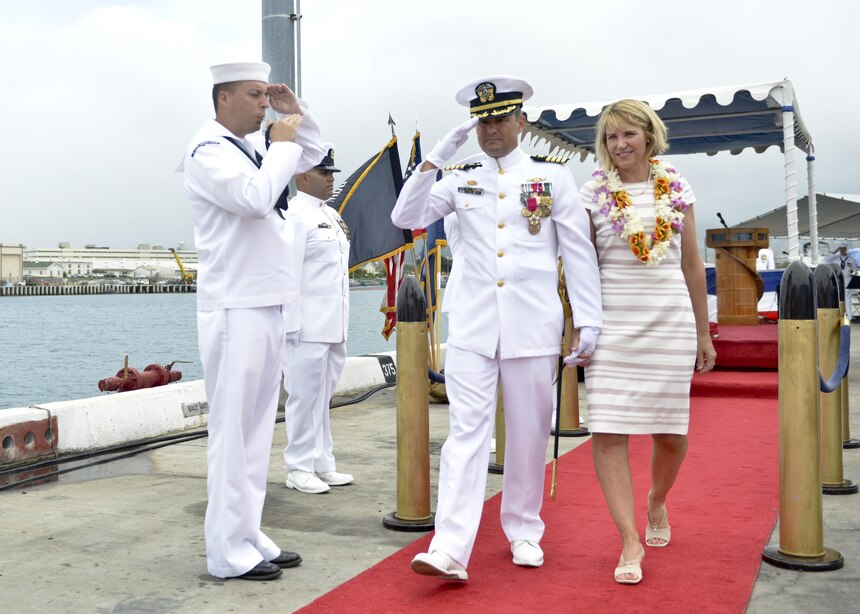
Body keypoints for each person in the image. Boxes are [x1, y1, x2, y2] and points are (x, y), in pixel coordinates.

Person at [391, 75, 602, 581]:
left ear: (521, 121)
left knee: (529, 434)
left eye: (501, 118)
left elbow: (577, 253)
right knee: (466, 434)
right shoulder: (460, 175)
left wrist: (589, 321)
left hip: (532, 324)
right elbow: (406, 214)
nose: (492, 129)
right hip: (472, 325)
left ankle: (524, 527)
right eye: (483, 121)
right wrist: (434, 159)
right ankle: (450, 546)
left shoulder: (552, 179)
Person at [181, 61, 326, 581]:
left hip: (265, 301)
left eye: (266, 95)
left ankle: (248, 535)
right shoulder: (208, 152)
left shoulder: (251, 148)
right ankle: (226, 553)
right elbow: (254, 198)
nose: (263, 104)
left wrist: (296, 115)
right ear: (222, 99)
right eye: (253, 95)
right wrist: (283, 143)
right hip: (234, 305)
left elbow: (309, 156)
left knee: (258, 432)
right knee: (233, 433)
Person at [579, 99, 716, 585]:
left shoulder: (676, 187)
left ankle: (658, 499)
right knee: (609, 432)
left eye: (628, 135)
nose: (620, 145)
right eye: (611, 137)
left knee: (671, 434)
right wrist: (576, 327)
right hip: (613, 324)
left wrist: (703, 331)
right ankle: (629, 539)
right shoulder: (592, 194)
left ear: (649, 136)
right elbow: (581, 268)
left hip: (668, 320)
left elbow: (692, 264)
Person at [281, 145, 355, 494]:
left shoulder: (331, 215)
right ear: (302, 177)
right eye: (324, 173)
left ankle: (322, 462)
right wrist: (290, 327)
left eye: (331, 174)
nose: (331, 179)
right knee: (303, 397)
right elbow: (288, 276)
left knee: (322, 397)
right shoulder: (295, 216)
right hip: (306, 327)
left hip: (333, 325)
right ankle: (298, 466)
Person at [827, 242, 857, 318]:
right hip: (838, 283)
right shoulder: (835, 259)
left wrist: (850, 272)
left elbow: (855, 272)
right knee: (837, 300)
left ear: (846, 249)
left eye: (843, 249)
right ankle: (838, 316)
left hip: (847, 283)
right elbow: (826, 260)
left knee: (847, 300)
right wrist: (834, 252)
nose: (842, 250)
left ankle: (848, 317)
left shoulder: (851, 260)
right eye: (840, 249)